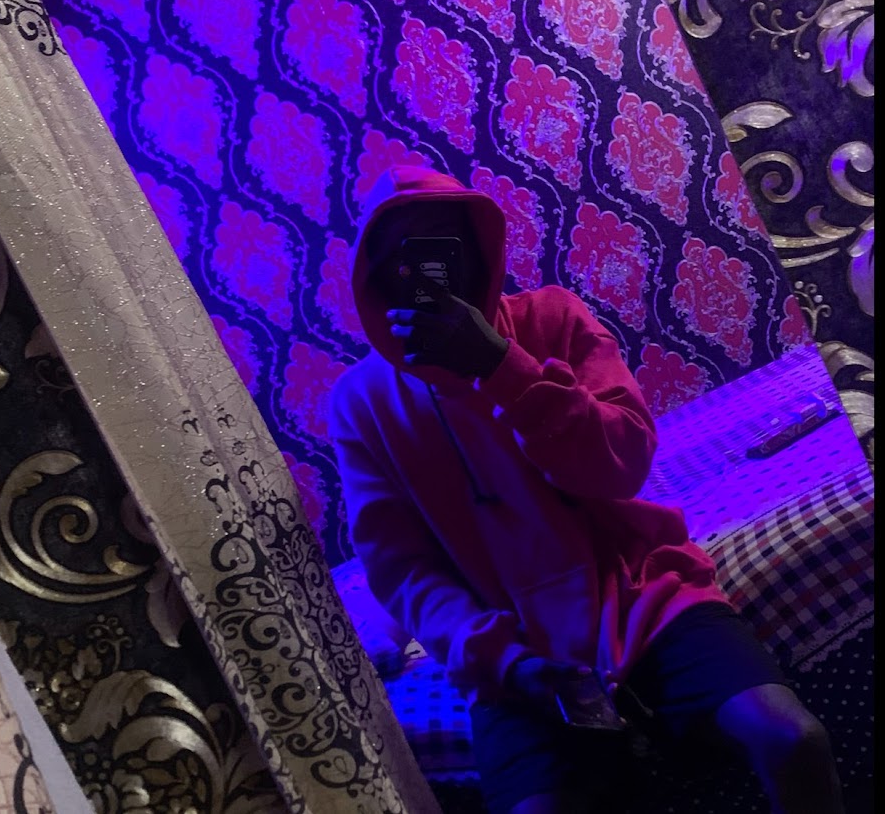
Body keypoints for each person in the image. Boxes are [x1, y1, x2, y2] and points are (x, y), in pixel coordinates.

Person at [329, 165, 844, 814]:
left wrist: (501, 367)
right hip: (509, 648)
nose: (432, 271)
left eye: (445, 245)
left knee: (793, 739)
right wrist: (498, 657)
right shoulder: (361, 404)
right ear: (379, 278)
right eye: (407, 257)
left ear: (478, 249)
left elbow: (622, 464)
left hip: (640, 594)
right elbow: (402, 569)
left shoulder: (553, 318)